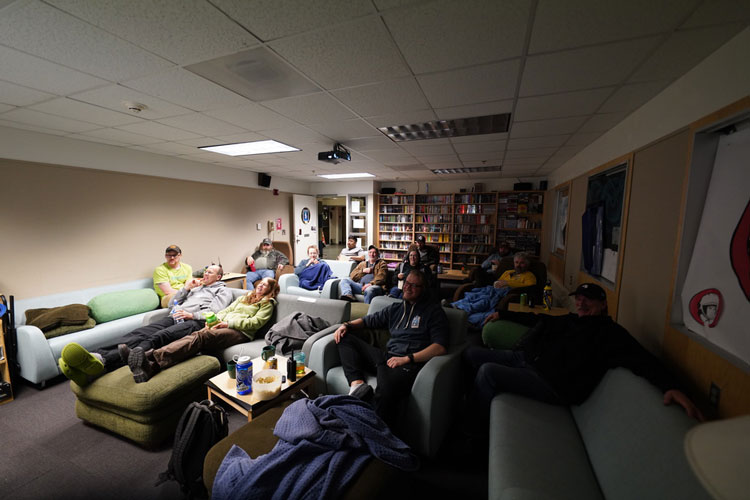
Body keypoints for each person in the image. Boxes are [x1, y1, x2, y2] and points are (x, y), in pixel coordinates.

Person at [464, 282, 704, 427]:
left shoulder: (611, 334)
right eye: (578, 299)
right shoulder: (572, 320)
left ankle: (472, 429)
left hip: (551, 384)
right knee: (471, 354)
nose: (581, 303)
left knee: (488, 372)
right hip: (528, 362)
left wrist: (672, 386)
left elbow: (642, 359)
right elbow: (539, 319)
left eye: (588, 300)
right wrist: (503, 314)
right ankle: (468, 403)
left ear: (603, 305)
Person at [58, 265, 233, 386]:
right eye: (205, 271)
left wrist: (191, 314)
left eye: (210, 272)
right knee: (138, 333)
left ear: (218, 276)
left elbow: (215, 312)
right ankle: (95, 356)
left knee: (157, 338)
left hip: (194, 322)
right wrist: (186, 288)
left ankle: (101, 363)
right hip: (174, 317)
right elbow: (172, 304)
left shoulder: (223, 290)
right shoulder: (196, 288)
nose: (205, 274)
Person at [333, 270, 448, 428]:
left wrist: (408, 358)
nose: (408, 288)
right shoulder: (396, 309)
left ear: (424, 289)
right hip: (384, 357)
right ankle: (357, 385)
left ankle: (377, 434)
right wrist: (346, 325)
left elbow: (440, 347)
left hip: (406, 363)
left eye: (414, 285)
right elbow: (369, 320)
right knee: (345, 338)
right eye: (407, 283)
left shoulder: (434, 312)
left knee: (385, 395)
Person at [127, 277, 280, 383]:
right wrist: (213, 321)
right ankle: (152, 364)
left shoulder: (267, 303)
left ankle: (153, 358)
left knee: (202, 336)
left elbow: (256, 322)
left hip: (241, 332)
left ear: (270, 290)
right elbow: (226, 310)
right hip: (224, 325)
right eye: (261, 283)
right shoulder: (245, 297)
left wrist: (227, 324)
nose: (260, 286)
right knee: (198, 334)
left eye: (265, 285)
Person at [443, 252, 537, 327]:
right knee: (474, 296)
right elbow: (498, 282)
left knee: (483, 302)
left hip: (503, 294)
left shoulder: (529, 276)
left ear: (527, 264)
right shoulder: (508, 272)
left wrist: (508, 283)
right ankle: (453, 306)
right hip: (492, 289)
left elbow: (529, 287)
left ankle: (460, 312)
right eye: (516, 262)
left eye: (522, 263)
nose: (518, 265)